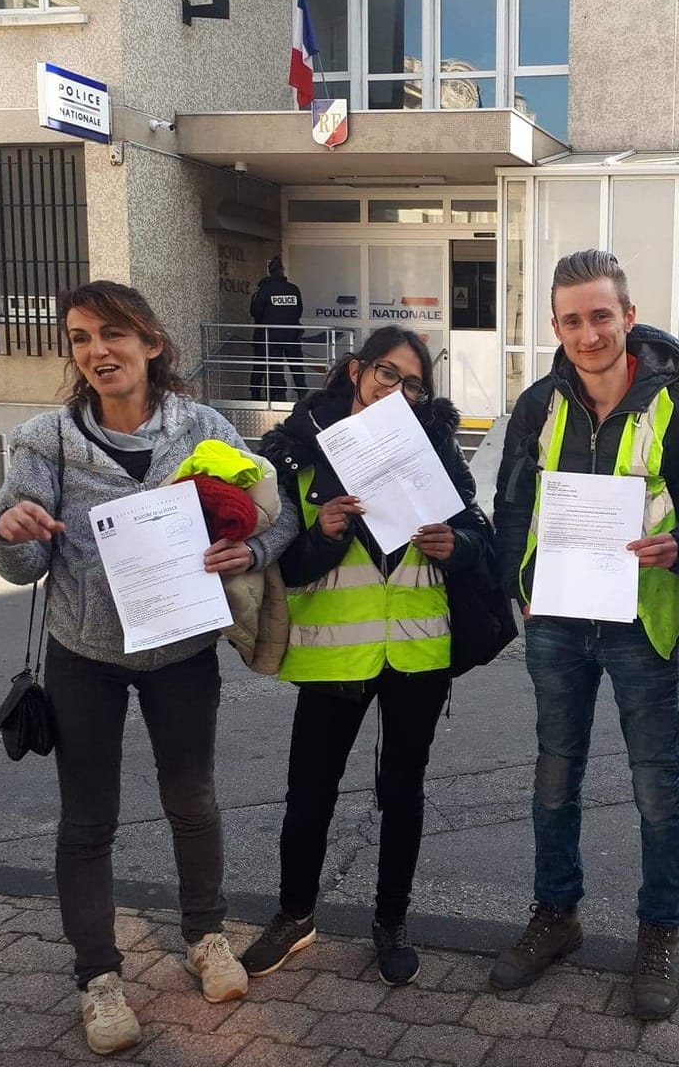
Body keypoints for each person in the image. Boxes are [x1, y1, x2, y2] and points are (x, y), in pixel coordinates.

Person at [0, 281, 300, 1056]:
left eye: (113, 335)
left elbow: (279, 511)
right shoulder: (44, 440)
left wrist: (249, 548)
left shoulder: (205, 428)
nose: (97, 351)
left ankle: (205, 937)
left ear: (152, 344)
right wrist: (9, 527)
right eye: (81, 338)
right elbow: (20, 561)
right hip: (85, 654)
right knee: (88, 821)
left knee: (192, 800)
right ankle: (97, 978)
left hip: (181, 650)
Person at [489, 249, 679, 1019]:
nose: (587, 334)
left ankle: (660, 931)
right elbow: (512, 505)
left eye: (601, 316)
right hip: (558, 619)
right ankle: (555, 916)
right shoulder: (538, 405)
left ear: (628, 316)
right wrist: (520, 589)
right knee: (554, 777)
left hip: (641, 617)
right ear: (554, 327)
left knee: (657, 785)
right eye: (571, 320)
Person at [239, 326, 494, 987]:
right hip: (333, 652)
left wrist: (453, 545)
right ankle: (294, 916)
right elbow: (282, 565)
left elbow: (477, 533)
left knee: (402, 792)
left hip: (415, 649)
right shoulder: (300, 448)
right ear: (356, 370)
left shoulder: (435, 446)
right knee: (308, 797)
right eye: (388, 374)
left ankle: (391, 923)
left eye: (413, 384)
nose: (398, 391)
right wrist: (324, 535)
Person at [249, 255, 307, 402]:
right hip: (291, 335)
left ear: (270, 271)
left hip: (269, 337)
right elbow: (299, 311)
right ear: (282, 270)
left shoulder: (264, 290)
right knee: (296, 365)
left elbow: (255, 312)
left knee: (274, 367)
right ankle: (302, 393)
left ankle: (278, 395)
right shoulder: (293, 289)